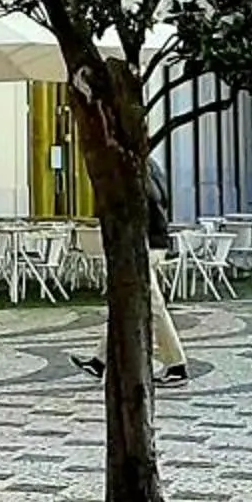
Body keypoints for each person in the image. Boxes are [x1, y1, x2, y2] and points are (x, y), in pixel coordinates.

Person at [72, 162, 188, 388]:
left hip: (146, 247)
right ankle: (100, 361)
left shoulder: (137, 171)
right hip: (151, 244)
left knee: (154, 306)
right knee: (124, 303)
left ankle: (177, 365)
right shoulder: (151, 167)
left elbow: (138, 209)